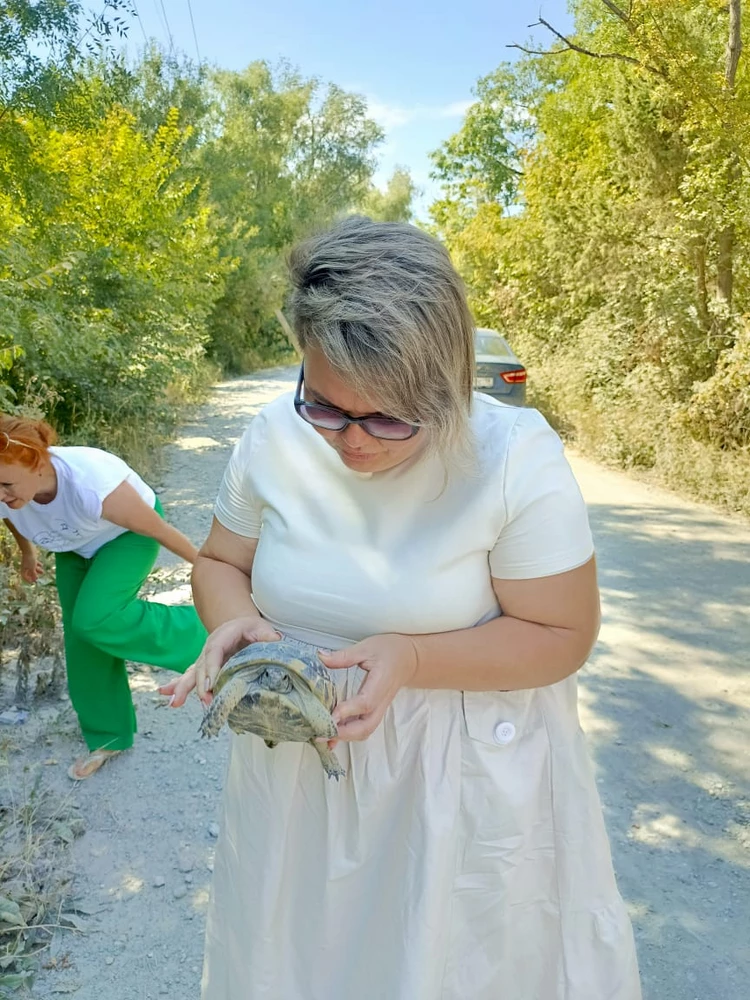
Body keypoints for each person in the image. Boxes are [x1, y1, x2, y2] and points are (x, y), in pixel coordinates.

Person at [163, 216, 642, 1000]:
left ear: (447, 387)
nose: (352, 442)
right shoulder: (273, 437)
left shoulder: (514, 456)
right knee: (295, 960)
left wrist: (414, 658)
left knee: (440, 966)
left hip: (453, 779)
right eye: (324, 406)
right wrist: (232, 621)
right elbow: (220, 562)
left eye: (387, 417)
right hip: (295, 772)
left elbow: (561, 634)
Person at [0, 415, 207, 780]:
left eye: (5, 484)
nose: (1, 494)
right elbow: (11, 518)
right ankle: (109, 735)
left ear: (36, 462)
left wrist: (213, 573)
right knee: (81, 637)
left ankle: (209, 637)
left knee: (97, 617)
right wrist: (27, 554)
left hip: (125, 536)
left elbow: (160, 530)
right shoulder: (11, 490)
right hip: (74, 545)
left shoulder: (91, 483)